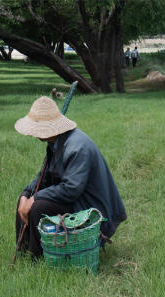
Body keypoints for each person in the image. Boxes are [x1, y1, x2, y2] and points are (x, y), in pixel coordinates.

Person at [14, 96, 127, 259]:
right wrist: (26, 195)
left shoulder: (77, 147)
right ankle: (25, 252)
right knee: (24, 201)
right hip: (75, 199)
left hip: (89, 207)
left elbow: (71, 189)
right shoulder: (55, 142)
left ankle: (38, 259)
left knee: (38, 206)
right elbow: (43, 176)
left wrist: (35, 199)